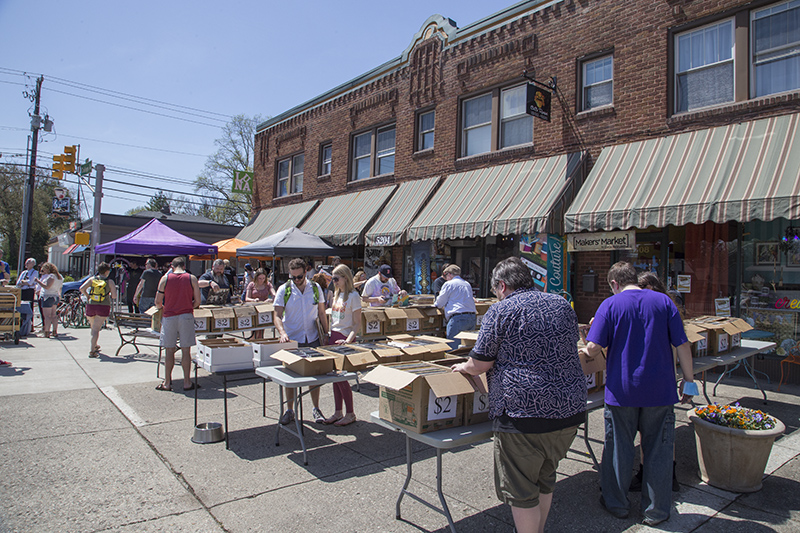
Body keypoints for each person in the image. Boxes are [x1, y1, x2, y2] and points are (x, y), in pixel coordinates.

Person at [451, 257, 586, 533]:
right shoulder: (560, 303)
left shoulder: (501, 311)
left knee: (522, 490)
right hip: (569, 410)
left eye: (495, 290)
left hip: (522, 415)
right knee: (546, 478)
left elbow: (480, 364)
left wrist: (462, 366)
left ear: (501, 285)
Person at [580, 262, 695, 526]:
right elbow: (683, 344)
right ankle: (656, 511)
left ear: (614, 284)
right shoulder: (664, 303)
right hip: (661, 390)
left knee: (618, 449)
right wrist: (689, 382)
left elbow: (594, 348)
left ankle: (616, 503)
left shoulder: (610, 305)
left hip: (623, 392)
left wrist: (588, 345)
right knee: (659, 450)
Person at [273, 258, 329, 425]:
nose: (296, 280)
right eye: (293, 277)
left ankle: (316, 408)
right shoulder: (284, 289)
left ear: (306, 272)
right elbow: (276, 315)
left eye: (299, 277)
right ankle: (290, 410)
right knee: (290, 377)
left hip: (312, 338)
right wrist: (282, 333)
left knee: (314, 377)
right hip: (292, 338)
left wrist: (326, 333)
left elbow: (321, 312)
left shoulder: (315, 287)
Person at [322, 264, 362, 426]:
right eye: (333, 278)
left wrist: (349, 339)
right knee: (335, 378)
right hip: (334, 337)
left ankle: (350, 413)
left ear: (345, 277)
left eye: (337, 278)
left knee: (342, 378)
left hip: (344, 339)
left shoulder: (353, 296)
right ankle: (338, 411)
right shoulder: (337, 294)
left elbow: (357, 323)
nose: (334, 282)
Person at [154, 256, 201, 391]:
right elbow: (197, 301)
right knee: (186, 350)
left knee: (169, 350)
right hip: (186, 315)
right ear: (184, 266)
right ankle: (187, 382)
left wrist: (164, 308)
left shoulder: (165, 279)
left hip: (169, 316)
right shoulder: (191, 278)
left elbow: (158, 302)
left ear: (172, 267)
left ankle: (167, 382)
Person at [435, 264, 477, 350]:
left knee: (453, 349)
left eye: (446, 275)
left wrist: (435, 304)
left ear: (449, 274)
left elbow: (440, 303)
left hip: (458, 318)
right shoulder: (466, 284)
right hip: (471, 317)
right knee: (467, 347)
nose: (445, 278)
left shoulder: (449, 284)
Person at [79, 262, 116, 356]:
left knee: (93, 328)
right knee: (96, 329)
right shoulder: (110, 282)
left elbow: (81, 288)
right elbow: (114, 296)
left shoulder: (92, 279)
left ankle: (95, 345)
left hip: (91, 305)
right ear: (107, 271)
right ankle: (92, 350)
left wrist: (88, 296)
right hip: (103, 306)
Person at [245, 268, 275, 339]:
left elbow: (274, 294)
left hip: (263, 309)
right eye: (260, 278)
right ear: (256, 277)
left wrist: (271, 299)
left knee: (262, 329)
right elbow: (247, 298)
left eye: (263, 278)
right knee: (254, 329)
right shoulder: (251, 285)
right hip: (254, 309)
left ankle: (261, 341)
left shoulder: (268, 285)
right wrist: (254, 300)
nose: (262, 280)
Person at [36, 262, 64, 339]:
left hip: (48, 296)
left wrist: (38, 282)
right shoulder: (59, 277)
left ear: (48, 269)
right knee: (53, 315)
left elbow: (47, 287)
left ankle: (46, 332)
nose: (43, 271)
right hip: (55, 296)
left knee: (47, 316)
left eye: (44, 269)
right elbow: (60, 287)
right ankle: (54, 331)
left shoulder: (51, 276)